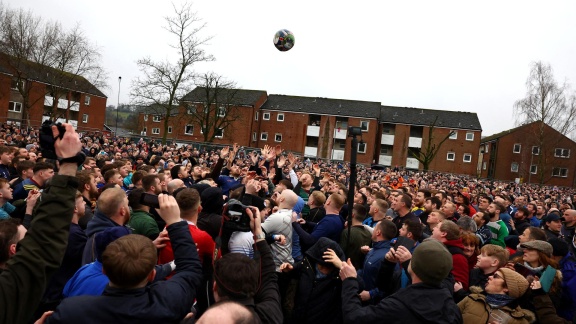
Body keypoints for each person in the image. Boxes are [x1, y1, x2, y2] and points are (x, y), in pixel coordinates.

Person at [44, 194, 204, 323]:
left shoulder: (71, 311)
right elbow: (190, 270)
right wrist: (175, 222)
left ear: (104, 269)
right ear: (152, 275)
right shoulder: (167, 303)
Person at [0, 123, 81, 324]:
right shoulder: (8, 294)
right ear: (13, 250)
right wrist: (69, 162)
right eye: (26, 240)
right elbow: (43, 244)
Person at [339, 239, 462, 323]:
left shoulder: (396, 306)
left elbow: (354, 318)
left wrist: (349, 281)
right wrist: (388, 265)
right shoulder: (452, 308)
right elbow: (384, 287)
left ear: (414, 266)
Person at [212, 206, 283, 324]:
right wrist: (258, 232)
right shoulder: (270, 314)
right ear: (255, 285)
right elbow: (269, 276)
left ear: (215, 287)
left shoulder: (207, 319)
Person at [279, 237, 347, 324]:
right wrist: (291, 269)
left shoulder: (339, 277)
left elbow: (358, 285)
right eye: (321, 266)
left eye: (328, 267)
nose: (323, 270)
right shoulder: (308, 264)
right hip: (299, 317)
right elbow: (299, 268)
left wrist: (342, 266)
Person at [457, 268, 534, 324]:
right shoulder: (472, 299)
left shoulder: (518, 320)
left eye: (495, 276)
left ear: (507, 287)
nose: (489, 277)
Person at [357, 219, 396, 303]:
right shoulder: (373, 250)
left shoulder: (389, 257)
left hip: (373, 304)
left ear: (378, 232)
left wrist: (371, 294)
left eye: (374, 228)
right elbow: (366, 271)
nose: (373, 230)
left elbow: (390, 285)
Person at [340, 204, 372, 270]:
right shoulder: (368, 233)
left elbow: (341, 252)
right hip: (359, 269)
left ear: (352, 214)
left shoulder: (347, 232)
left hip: (346, 267)